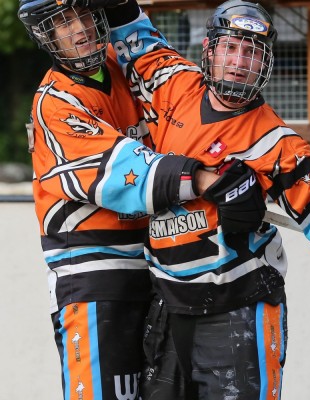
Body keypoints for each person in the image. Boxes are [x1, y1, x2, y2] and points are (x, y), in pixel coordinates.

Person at [60, 0, 310, 399]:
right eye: (231, 47)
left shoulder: (275, 141)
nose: (239, 62)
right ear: (209, 49)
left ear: (266, 63)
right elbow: (139, 40)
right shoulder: (174, 85)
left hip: (238, 310)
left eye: (252, 52)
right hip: (166, 308)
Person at [17, 1, 268, 399]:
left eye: (85, 14)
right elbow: (120, 171)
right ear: (44, 35)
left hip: (157, 273)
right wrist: (207, 180)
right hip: (94, 281)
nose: (80, 28)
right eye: (63, 23)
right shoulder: (55, 101)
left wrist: (246, 169)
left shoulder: (126, 67)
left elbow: (186, 95)